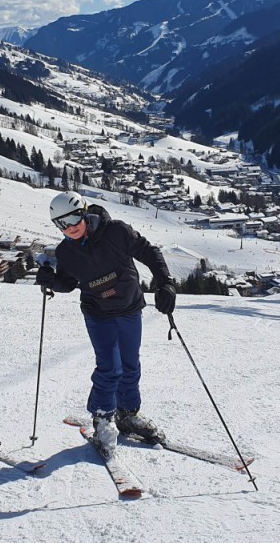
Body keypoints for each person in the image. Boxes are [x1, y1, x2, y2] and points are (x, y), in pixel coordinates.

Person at [35, 191, 175, 448]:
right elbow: (68, 282)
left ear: (84, 212)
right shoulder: (66, 252)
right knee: (110, 367)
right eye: (62, 224)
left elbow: (149, 252)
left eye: (73, 219)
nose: (70, 228)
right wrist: (51, 280)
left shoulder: (117, 232)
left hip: (130, 307)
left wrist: (165, 283)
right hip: (98, 313)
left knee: (131, 365)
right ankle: (102, 417)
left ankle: (128, 414)